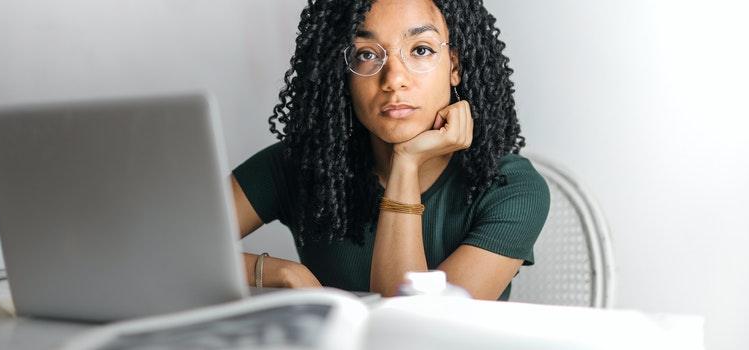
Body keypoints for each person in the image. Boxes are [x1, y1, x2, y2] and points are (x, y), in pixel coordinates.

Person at [231, 0, 550, 300]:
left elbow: (416, 334)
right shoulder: (306, 165)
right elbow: (181, 242)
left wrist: (406, 162)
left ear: (454, 65)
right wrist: (281, 272)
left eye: (421, 50)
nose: (394, 79)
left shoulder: (511, 188)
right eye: (366, 54)